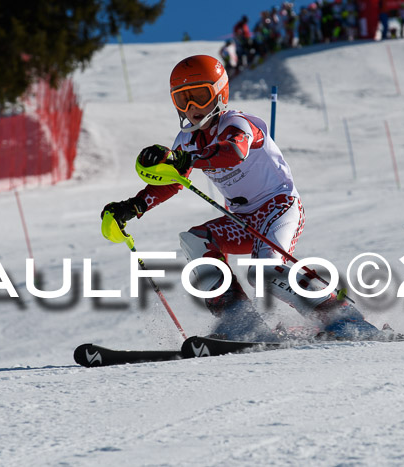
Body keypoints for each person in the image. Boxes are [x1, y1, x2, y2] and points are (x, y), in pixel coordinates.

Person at [101, 55, 380, 341]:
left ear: (220, 93)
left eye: (200, 95)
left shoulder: (238, 123)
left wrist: (186, 158)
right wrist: (133, 207)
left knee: (264, 273)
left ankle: (340, 316)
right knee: (196, 240)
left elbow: (233, 152)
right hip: (242, 218)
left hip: (278, 207)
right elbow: (172, 182)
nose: (192, 108)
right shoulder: (186, 140)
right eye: (183, 99)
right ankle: (240, 321)